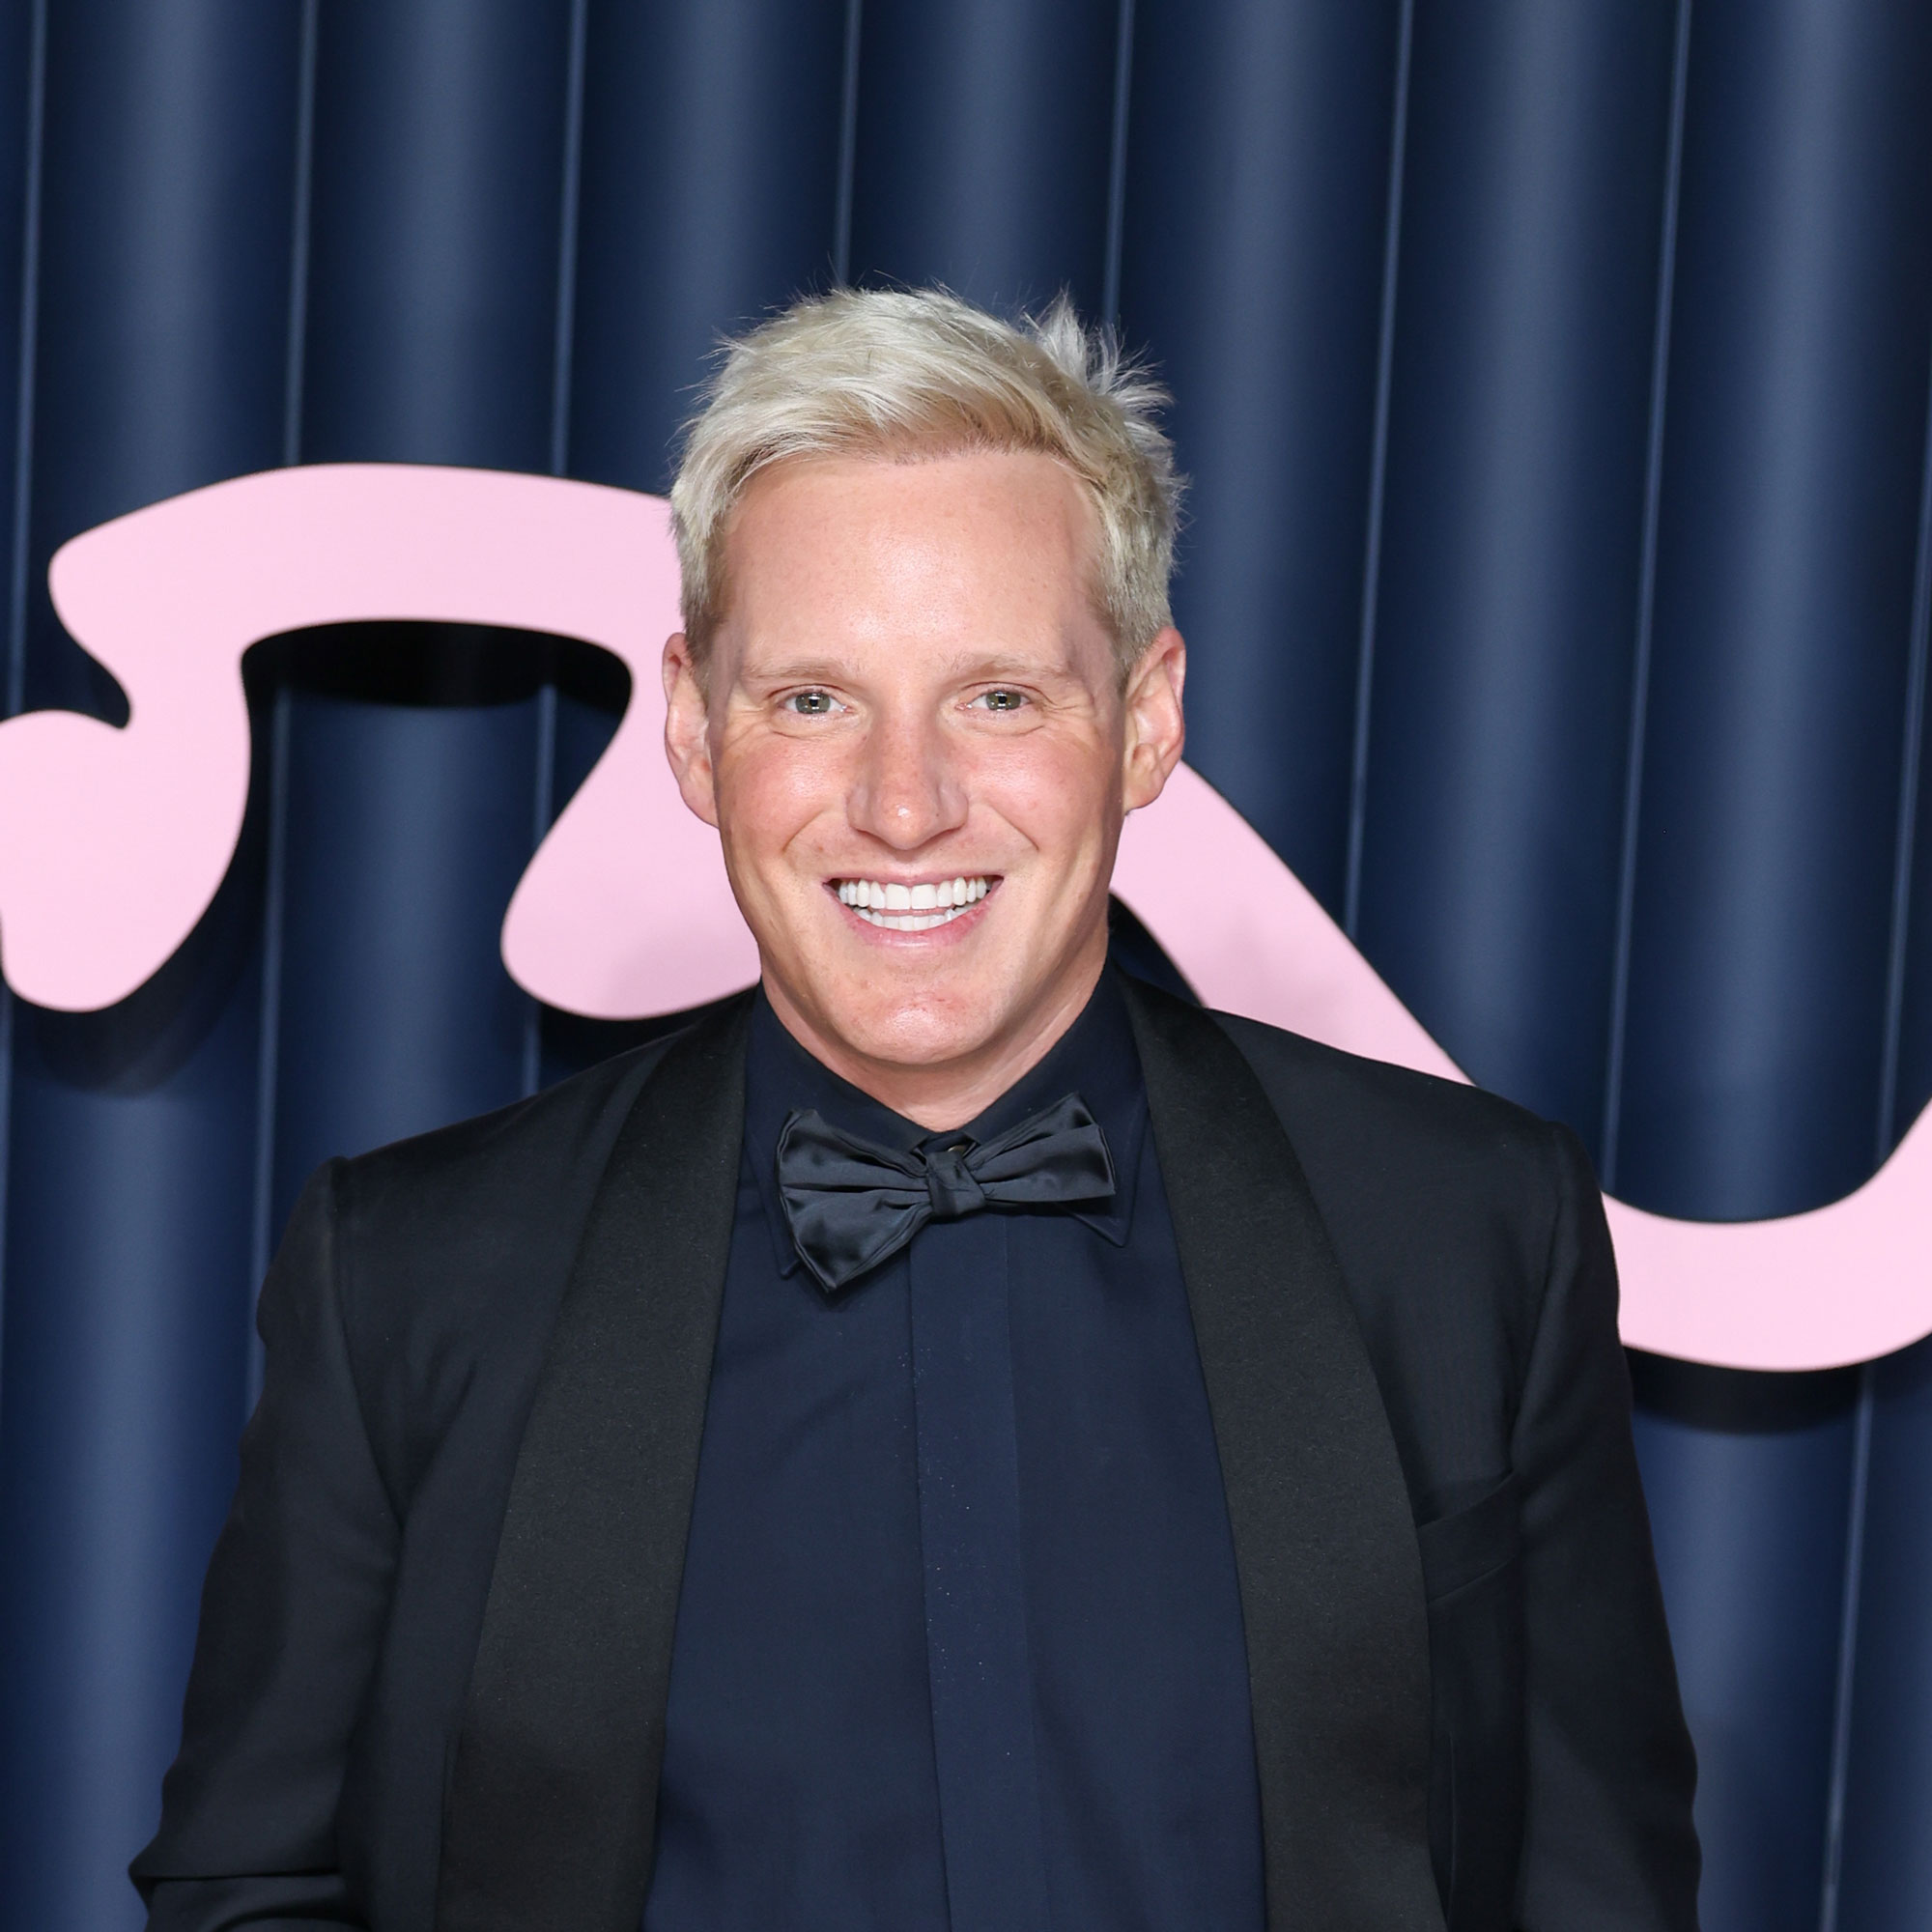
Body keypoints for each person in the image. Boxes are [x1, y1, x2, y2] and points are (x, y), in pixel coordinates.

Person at [133, 289, 1698, 1932]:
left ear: (1149, 720)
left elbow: (1594, 1887)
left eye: (999, 698)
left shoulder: (1467, 1235)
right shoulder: (411, 1273)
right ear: (691, 724)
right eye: (813, 700)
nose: (903, 804)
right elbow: (252, 1883)